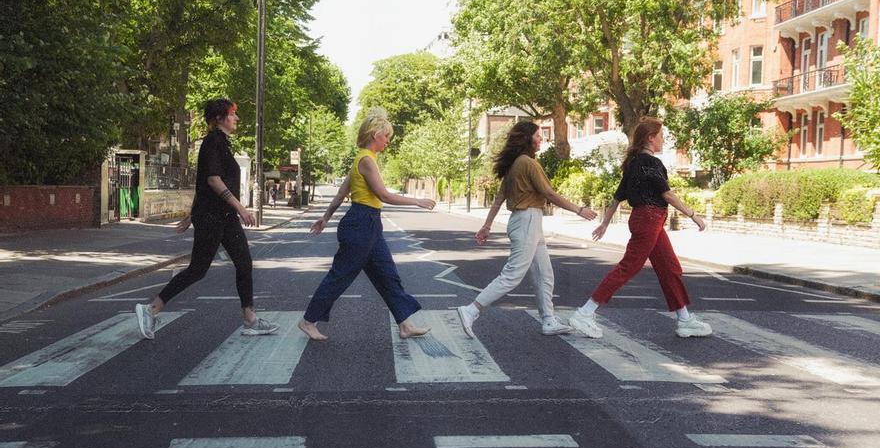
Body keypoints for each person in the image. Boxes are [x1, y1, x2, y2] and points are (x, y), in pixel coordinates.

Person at [134, 98, 279, 340]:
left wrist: (192, 214)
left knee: (244, 263)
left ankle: (250, 319)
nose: (236, 118)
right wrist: (241, 209)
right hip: (213, 217)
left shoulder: (222, 143)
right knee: (198, 269)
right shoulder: (212, 142)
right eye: (232, 114)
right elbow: (212, 180)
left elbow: (201, 183)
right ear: (219, 118)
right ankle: (151, 309)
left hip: (223, 215)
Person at [298, 108, 436, 341]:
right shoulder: (366, 161)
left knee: (387, 275)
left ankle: (405, 324)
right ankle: (308, 320)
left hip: (369, 225)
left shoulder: (361, 159)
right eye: (386, 137)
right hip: (361, 223)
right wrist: (417, 201)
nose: (388, 142)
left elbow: (342, 193)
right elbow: (384, 195)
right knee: (340, 275)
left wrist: (325, 218)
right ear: (375, 135)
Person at [568, 117, 712, 339]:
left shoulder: (633, 163)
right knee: (629, 267)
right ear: (650, 138)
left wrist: (605, 223)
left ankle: (685, 320)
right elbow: (668, 194)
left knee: (669, 267)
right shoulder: (651, 163)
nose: (663, 140)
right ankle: (585, 313)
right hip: (649, 219)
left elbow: (617, 196)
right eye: (661, 136)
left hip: (647, 220)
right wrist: (694, 215)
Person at [456, 121, 598, 338]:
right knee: (513, 275)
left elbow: (498, 200)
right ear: (527, 139)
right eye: (538, 136)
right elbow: (549, 193)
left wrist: (486, 226)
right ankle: (471, 310)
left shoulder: (514, 164)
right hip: (528, 219)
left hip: (526, 221)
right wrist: (579, 209)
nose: (541, 139)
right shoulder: (528, 163)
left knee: (544, 273)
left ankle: (549, 320)